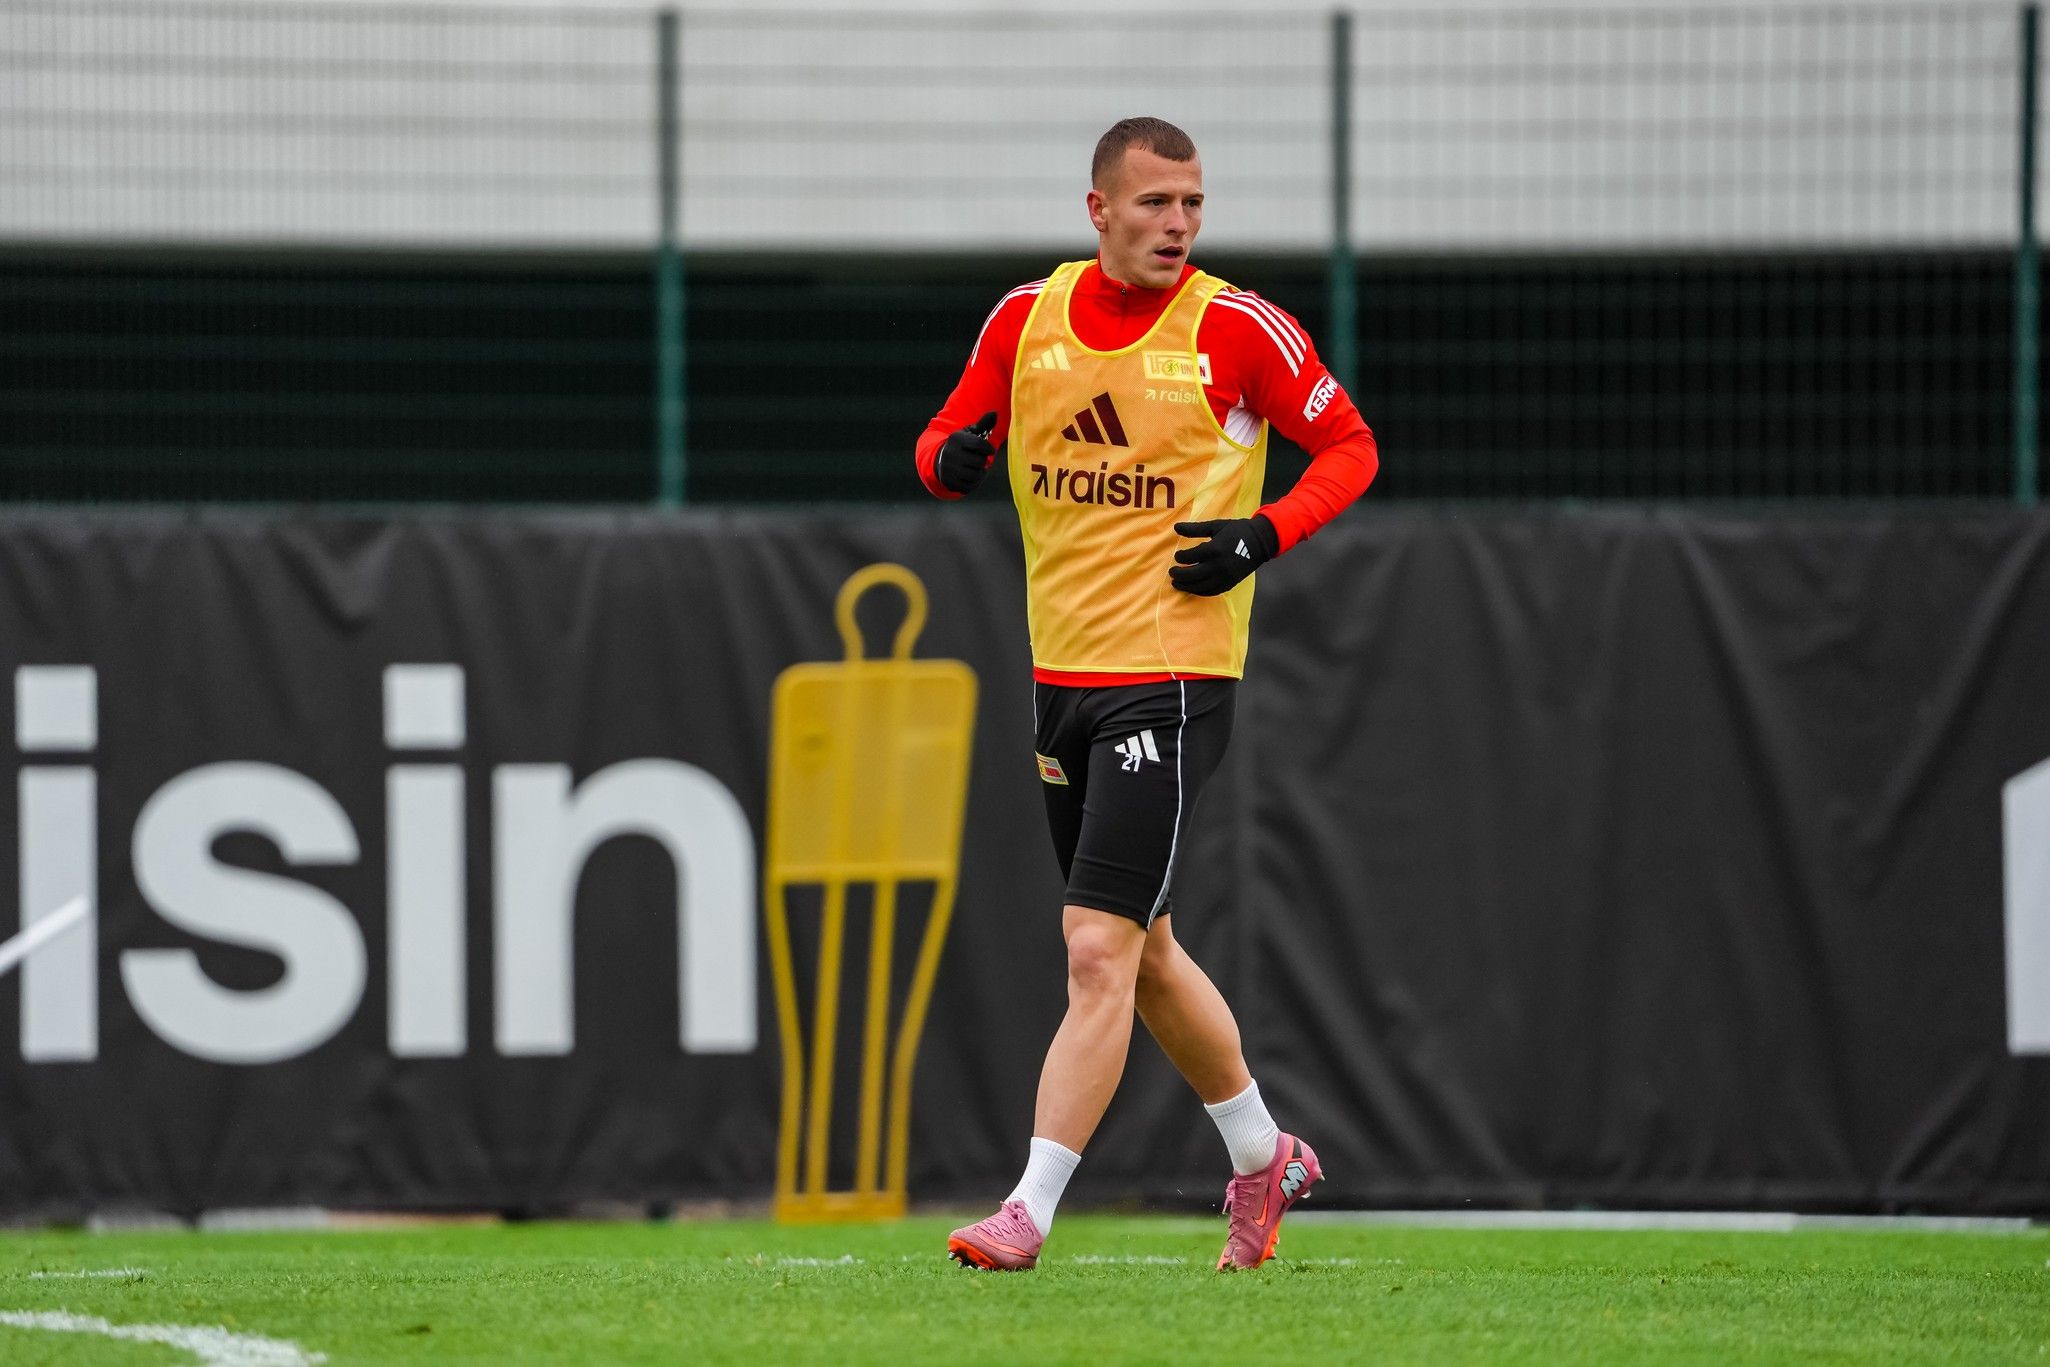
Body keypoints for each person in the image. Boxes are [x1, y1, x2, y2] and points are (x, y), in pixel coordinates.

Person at [915, 117, 1379, 1272]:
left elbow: (1351, 447)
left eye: (1193, 205)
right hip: (1060, 678)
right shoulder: (1026, 319)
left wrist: (1260, 536)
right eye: (1156, 203)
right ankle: (1262, 1150)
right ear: (1098, 210)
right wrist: (947, 463)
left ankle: (1026, 1208)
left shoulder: (1236, 327)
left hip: (1170, 679)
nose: (1178, 223)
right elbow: (938, 435)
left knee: (1092, 946)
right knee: (1148, 946)